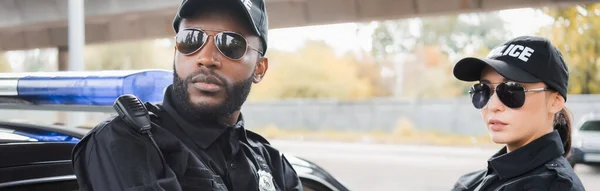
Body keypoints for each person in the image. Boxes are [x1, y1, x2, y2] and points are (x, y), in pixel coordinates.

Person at [71, 0, 303, 190]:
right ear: (176, 51)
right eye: (191, 40)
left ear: (259, 69)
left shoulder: (273, 165)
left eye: (231, 44)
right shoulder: (124, 142)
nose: (206, 58)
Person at [450, 36, 585, 191]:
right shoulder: (469, 182)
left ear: (555, 102)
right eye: (483, 90)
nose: (493, 105)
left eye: (511, 90)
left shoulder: (556, 186)